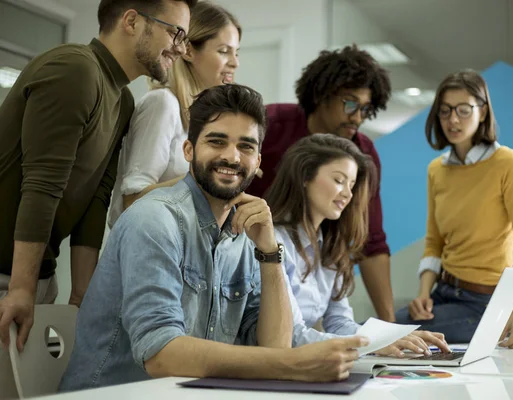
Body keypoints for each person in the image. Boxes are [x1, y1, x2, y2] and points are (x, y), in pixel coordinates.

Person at [59, 85, 369, 392]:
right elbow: (160, 354)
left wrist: (270, 253)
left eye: (246, 147)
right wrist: (295, 365)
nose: (232, 157)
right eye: (217, 141)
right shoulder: (154, 220)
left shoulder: (246, 235)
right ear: (189, 150)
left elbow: (274, 344)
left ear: (258, 161)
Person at [0, 0, 195, 352]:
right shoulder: (75, 68)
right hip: (11, 279)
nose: (181, 49)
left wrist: (82, 296)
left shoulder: (123, 102)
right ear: (132, 21)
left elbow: (95, 202)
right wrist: (21, 289)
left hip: (36, 278)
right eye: (175, 33)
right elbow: (41, 185)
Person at [246, 45, 396, 322]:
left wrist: (391, 331)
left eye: (366, 109)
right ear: (322, 94)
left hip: (310, 260)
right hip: (248, 258)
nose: (358, 117)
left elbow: (372, 243)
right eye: (350, 103)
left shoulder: (363, 153)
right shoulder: (271, 124)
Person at [394, 70, 513, 348]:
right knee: (385, 329)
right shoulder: (436, 170)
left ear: (483, 112)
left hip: (484, 304)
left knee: (385, 331)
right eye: (445, 111)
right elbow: (434, 242)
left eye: (464, 110)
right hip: (443, 293)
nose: (453, 119)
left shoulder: (507, 163)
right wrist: (423, 294)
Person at [265, 133, 449, 356]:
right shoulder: (271, 243)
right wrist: (372, 345)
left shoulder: (331, 246)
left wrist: (391, 336)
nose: (347, 194)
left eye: (351, 185)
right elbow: (292, 336)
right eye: (339, 180)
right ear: (305, 176)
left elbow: (340, 322)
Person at [108, 1, 241, 226]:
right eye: (224, 51)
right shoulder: (163, 103)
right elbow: (131, 199)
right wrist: (207, 178)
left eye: (236, 53)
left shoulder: (199, 120)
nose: (235, 63)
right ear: (188, 50)